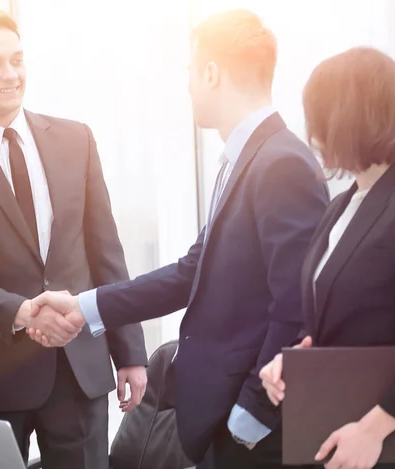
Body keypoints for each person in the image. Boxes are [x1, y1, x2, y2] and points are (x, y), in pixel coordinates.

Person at [28, 9, 330, 469]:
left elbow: (295, 307)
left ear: (212, 73)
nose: (188, 86)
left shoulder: (281, 163)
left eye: (191, 72)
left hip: (252, 426)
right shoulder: (246, 159)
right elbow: (192, 271)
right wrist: (86, 306)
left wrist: (251, 415)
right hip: (221, 418)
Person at [0, 8, 148, 469]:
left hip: (78, 368)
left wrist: (131, 354)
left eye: (17, 59)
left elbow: (106, 254)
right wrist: (23, 312)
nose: (10, 74)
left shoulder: (76, 140)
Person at [260, 47, 395, 469]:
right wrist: (298, 358)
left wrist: (378, 424)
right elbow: (337, 314)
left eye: (318, 118)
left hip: (375, 435)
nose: (312, 134)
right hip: (334, 425)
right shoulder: (341, 207)